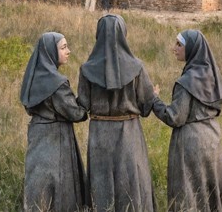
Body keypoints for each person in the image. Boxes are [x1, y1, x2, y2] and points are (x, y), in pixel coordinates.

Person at [78, 14, 157, 211]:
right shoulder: (137, 67)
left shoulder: (87, 69)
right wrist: (153, 95)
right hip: (129, 132)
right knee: (130, 182)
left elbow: (82, 105)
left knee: (101, 183)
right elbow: (146, 107)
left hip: (99, 134)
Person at [152, 30, 222, 212]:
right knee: (209, 191)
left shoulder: (186, 82)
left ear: (192, 48)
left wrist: (155, 100)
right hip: (213, 138)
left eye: (179, 44)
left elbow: (175, 117)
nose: (174, 48)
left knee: (189, 194)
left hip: (192, 142)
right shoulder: (213, 77)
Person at [20, 32, 88, 212]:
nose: (68, 51)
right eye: (63, 47)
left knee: (39, 182)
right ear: (50, 51)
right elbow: (76, 113)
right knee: (59, 184)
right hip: (57, 137)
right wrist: (86, 101)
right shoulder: (57, 84)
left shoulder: (33, 78)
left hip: (37, 133)